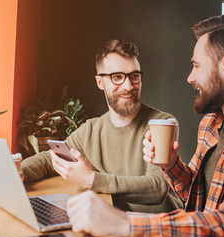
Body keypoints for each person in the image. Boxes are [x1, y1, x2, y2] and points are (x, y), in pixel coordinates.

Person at [65, 14, 224, 237]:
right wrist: (172, 165)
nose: (190, 77)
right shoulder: (211, 123)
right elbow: (195, 195)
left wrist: (124, 223)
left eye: (197, 66)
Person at [21, 39, 183, 213]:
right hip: (113, 223)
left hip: (158, 228)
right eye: (117, 77)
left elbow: (157, 188)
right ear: (100, 82)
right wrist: (18, 171)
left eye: (134, 76)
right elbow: (50, 159)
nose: (128, 86)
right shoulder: (91, 129)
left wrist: (92, 180)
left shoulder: (161, 123)